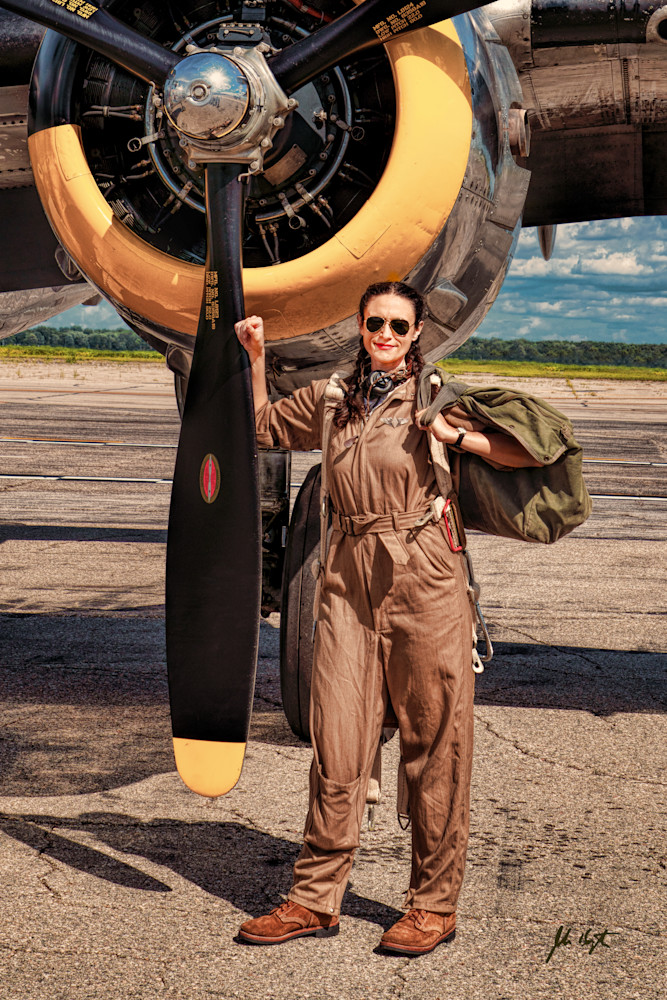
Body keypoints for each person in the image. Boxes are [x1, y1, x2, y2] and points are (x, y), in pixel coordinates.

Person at [234, 281, 541, 955]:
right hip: (346, 577)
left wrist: (456, 434)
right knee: (336, 739)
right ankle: (314, 898)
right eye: (375, 322)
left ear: (415, 332)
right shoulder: (330, 400)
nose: (385, 335)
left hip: (423, 571)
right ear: (360, 325)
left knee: (435, 745)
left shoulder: (435, 396)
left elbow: (530, 451)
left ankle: (432, 906)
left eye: (398, 326)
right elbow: (259, 428)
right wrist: (255, 355)